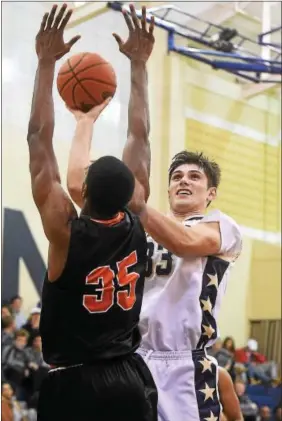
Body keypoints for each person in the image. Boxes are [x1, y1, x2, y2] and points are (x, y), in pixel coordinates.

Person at [67, 5, 242, 421]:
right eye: (176, 175)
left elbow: (183, 241)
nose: (184, 181)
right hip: (131, 360)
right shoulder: (140, 225)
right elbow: (79, 187)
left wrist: (135, 201)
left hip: (183, 364)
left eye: (194, 177)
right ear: (166, 187)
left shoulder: (222, 227)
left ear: (210, 192)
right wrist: (84, 120)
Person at [27, 4, 157, 421]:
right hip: (128, 381)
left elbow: (37, 139)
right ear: (131, 192)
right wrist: (139, 65)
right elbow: (140, 135)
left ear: (83, 193)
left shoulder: (65, 230)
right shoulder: (136, 219)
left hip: (75, 383)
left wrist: (46, 63)